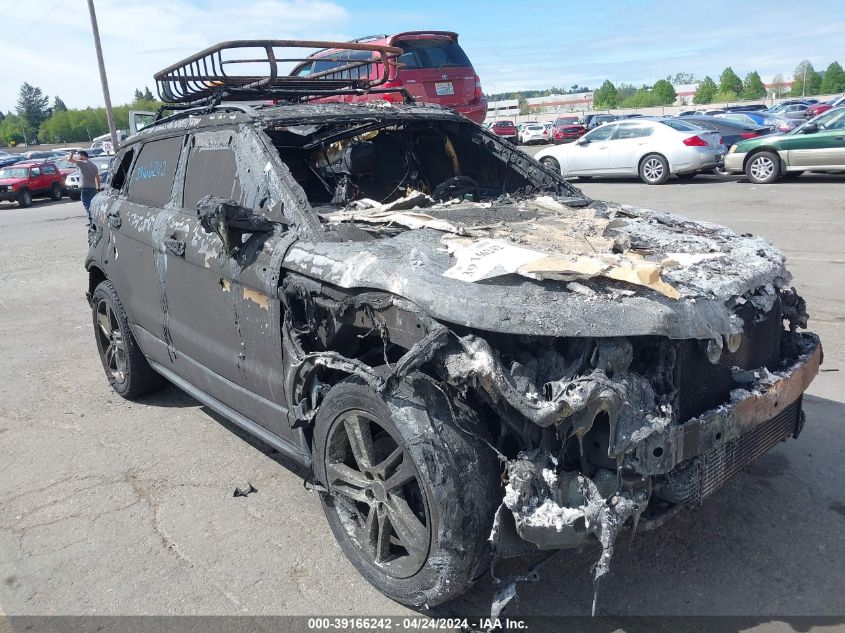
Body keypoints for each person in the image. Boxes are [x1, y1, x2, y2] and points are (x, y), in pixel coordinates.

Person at [68, 150, 100, 223]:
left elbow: (69, 159)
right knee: (93, 204)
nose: (79, 157)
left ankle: (92, 220)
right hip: (93, 188)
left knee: (86, 204)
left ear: (82, 156)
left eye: (79, 155)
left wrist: (72, 153)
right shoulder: (93, 165)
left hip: (85, 187)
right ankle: (95, 219)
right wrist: (98, 187)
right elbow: (97, 178)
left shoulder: (82, 163)